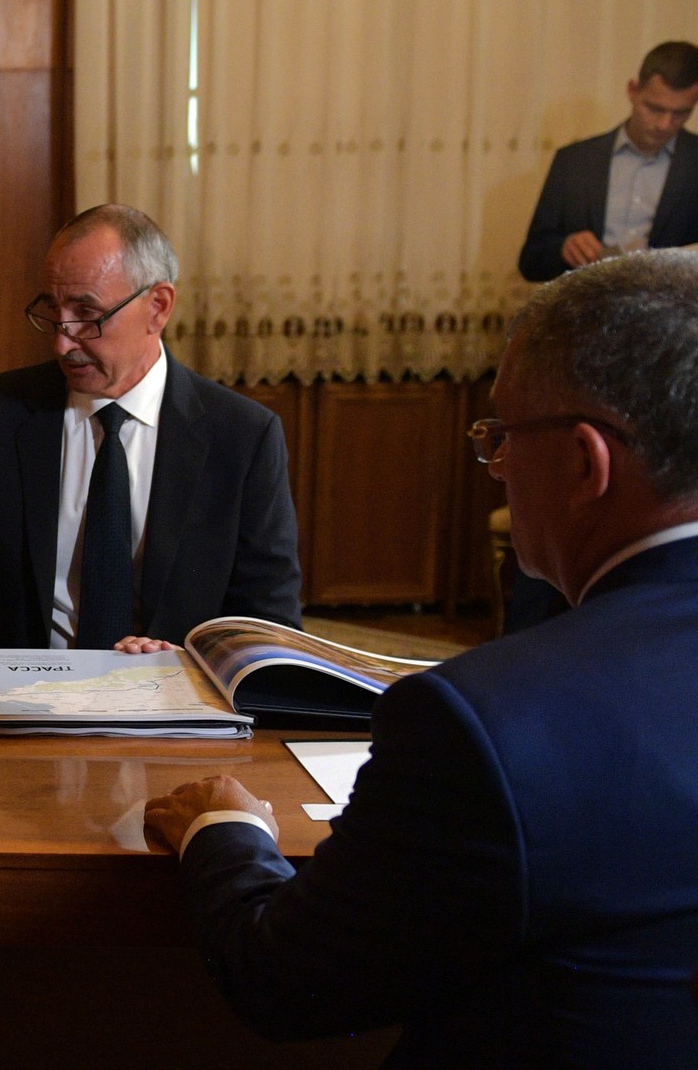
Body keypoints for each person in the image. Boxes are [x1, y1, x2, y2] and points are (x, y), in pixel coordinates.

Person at [145, 250, 698, 1065]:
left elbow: (287, 981)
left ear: (585, 463)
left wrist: (222, 826)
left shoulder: (488, 721)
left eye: (503, 437)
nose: (497, 470)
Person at [0, 204, 301, 658]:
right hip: (16, 697)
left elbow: (267, 617)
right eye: (53, 310)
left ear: (157, 308)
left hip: (172, 702)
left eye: (88, 313)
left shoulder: (243, 435)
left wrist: (190, 661)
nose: (62, 341)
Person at [518, 40, 698, 283]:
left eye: (681, 113)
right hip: (588, 311)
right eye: (654, 108)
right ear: (632, 90)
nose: (665, 124)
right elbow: (531, 262)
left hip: (673, 315)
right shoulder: (574, 161)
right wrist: (564, 247)